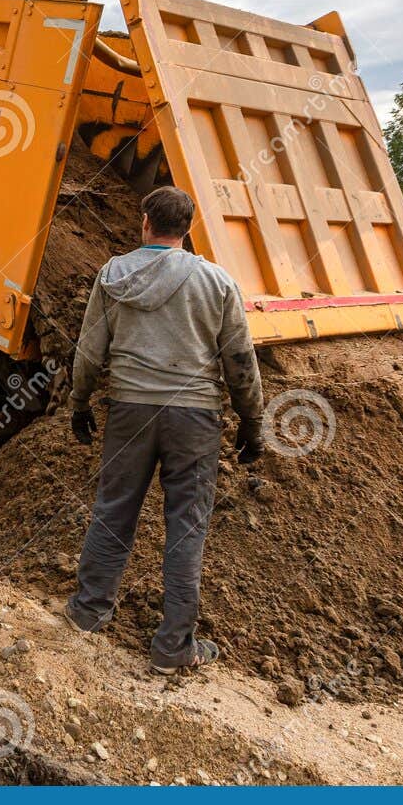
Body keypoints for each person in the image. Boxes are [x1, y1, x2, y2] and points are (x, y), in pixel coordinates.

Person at [63, 185, 264, 673]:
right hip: (194, 419)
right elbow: (240, 359)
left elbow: (90, 350)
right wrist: (252, 419)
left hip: (129, 410)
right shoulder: (217, 283)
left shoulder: (113, 275)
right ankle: (174, 648)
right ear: (188, 229)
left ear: (145, 221)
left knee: (113, 510)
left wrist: (78, 401)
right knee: (186, 527)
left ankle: (89, 613)